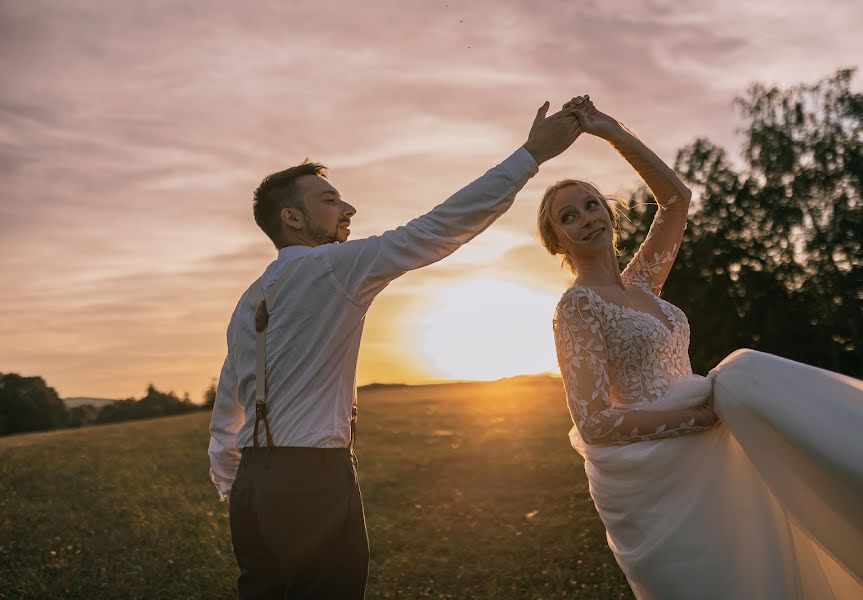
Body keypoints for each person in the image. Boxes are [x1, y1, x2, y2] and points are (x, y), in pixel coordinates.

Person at [208, 100, 584, 599]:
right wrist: (533, 154)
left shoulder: (249, 297)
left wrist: (236, 483)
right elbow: (438, 228)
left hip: (252, 486)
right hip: (312, 480)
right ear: (292, 219)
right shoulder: (334, 267)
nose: (348, 209)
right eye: (329, 200)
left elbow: (228, 405)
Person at [542, 96, 863, 599]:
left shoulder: (641, 285)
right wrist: (703, 415)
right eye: (568, 217)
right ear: (558, 243)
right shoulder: (577, 307)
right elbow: (595, 422)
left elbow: (676, 199)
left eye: (591, 204)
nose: (586, 218)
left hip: (714, 447)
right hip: (657, 475)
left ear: (610, 214)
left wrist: (610, 131)